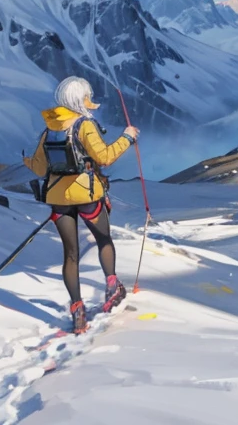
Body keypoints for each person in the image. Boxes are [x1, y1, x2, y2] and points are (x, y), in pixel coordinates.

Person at [24, 76, 140, 334]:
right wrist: (128, 138)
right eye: (88, 95)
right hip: (87, 195)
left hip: (58, 199)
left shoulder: (50, 128)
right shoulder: (85, 125)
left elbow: (40, 167)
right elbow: (105, 157)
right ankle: (112, 289)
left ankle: (77, 310)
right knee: (104, 240)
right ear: (81, 98)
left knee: (70, 254)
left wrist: (26, 161)